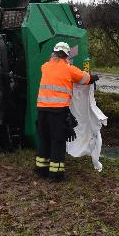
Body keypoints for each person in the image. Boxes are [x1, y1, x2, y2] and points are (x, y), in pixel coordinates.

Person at [35, 42, 99, 181]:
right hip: (58, 112)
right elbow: (85, 79)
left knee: (44, 139)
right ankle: (56, 174)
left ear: (54, 53)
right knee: (58, 141)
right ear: (67, 55)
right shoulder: (69, 69)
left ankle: (41, 169)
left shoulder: (45, 67)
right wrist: (94, 77)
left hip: (42, 110)